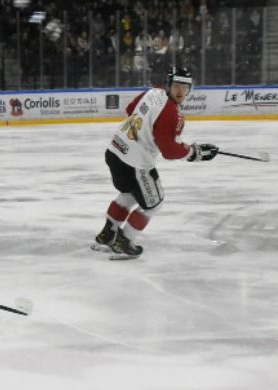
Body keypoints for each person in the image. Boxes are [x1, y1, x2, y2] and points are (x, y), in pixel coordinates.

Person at [92, 66, 218, 259]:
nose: (180, 91)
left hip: (115, 151)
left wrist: (146, 130)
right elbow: (168, 150)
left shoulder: (153, 92)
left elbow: (130, 109)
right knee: (153, 204)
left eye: (185, 87)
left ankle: (106, 236)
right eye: (176, 86)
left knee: (129, 194)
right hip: (135, 163)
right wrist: (195, 153)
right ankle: (124, 242)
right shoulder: (173, 113)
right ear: (169, 85)